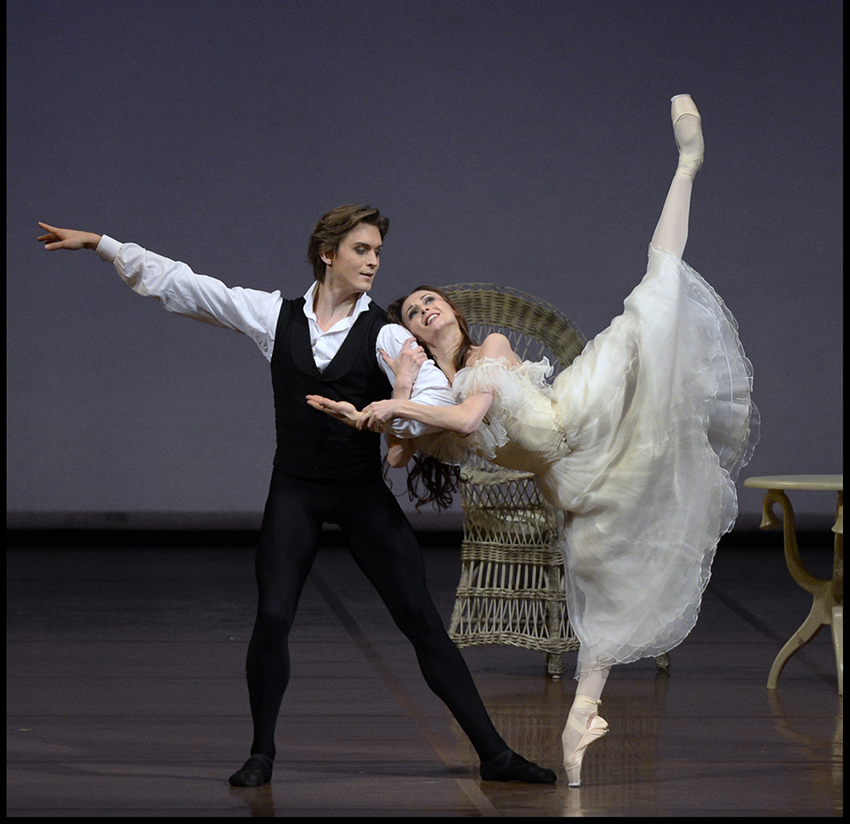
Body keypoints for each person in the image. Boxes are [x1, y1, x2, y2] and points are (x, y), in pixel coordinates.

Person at [308, 96, 760, 787]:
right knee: (599, 586)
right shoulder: (431, 385)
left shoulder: (488, 349)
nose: (424, 311)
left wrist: (392, 402)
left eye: (430, 301)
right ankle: (582, 719)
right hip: (570, 478)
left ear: (450, 311)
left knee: (653, 297)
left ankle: (687, 166)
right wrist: (392, 395)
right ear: (414, 334)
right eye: (411, 314)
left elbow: (463, 424)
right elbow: (403, 453)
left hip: (577, 413)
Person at [36, 205, 557, 786]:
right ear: (328, 254)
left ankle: (495, 754)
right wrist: (102, 244)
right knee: (274, 615)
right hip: (296, 494)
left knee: (421, 622)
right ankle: (261, 753)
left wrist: (395, 397)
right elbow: (186, 286)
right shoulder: (273, 315)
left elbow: (435, 410)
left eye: (379, 252)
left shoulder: (386, 335)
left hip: (360, 496)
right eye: (362, 250)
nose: (374, 262)